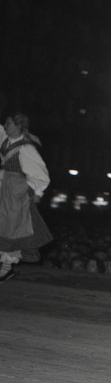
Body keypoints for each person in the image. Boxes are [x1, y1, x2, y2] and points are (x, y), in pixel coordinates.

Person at [0, 113, 53, 281]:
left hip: (17, 193)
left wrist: (38, 192)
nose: (5, 126)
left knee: (13, 228)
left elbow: (41, 173)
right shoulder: (6, 140)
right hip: (4, 188)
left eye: (9, 123)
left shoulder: (26, 148)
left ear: (18, 126)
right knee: (5, 225)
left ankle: (7, 267)